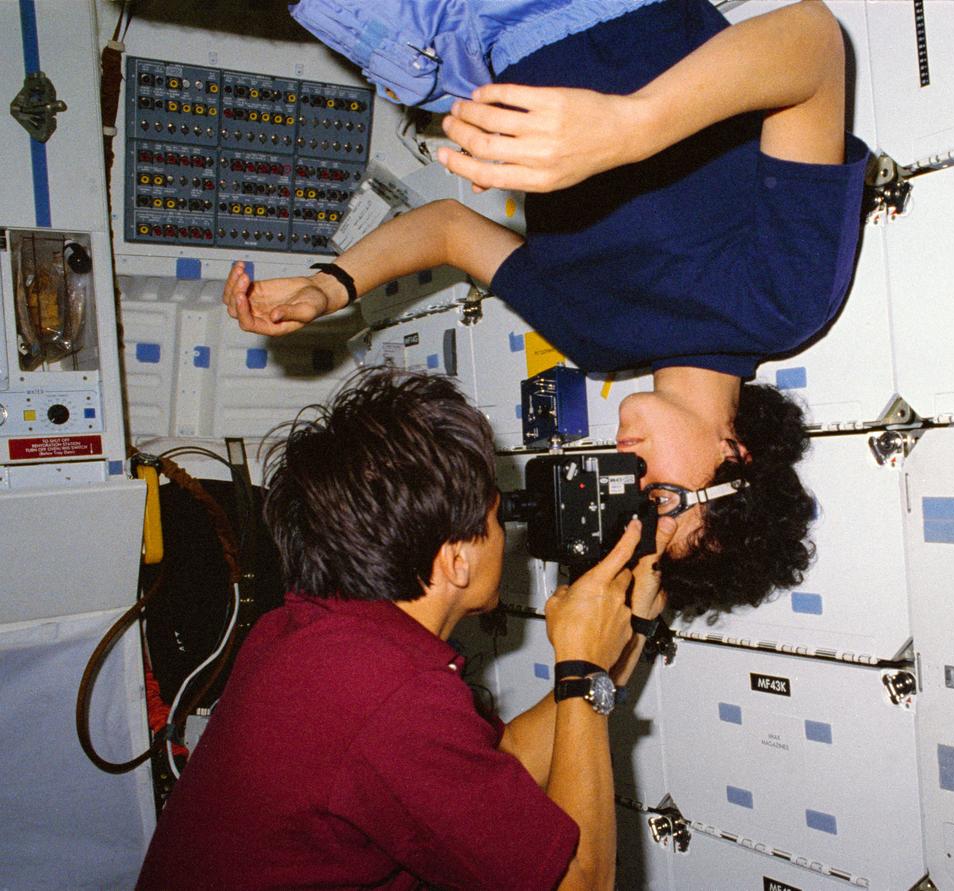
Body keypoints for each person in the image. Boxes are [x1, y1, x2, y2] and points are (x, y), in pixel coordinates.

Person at [223, 0, 869, 616]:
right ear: (740, 456)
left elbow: (449, 230)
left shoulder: (593, 340)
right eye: (662, 496)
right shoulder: (784, 301)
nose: (631, 476)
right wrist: (628, 127)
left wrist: (332, 285)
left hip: (458, 51)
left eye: (634, 504)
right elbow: (811, 47)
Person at [137, 367, 677, 890]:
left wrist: (630, 628)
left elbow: (496, 763)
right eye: (494, 517)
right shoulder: (389, 693)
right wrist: (580, 666)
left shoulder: (304, 630)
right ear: (454, 561)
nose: (504, 536)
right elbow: (582, 884)